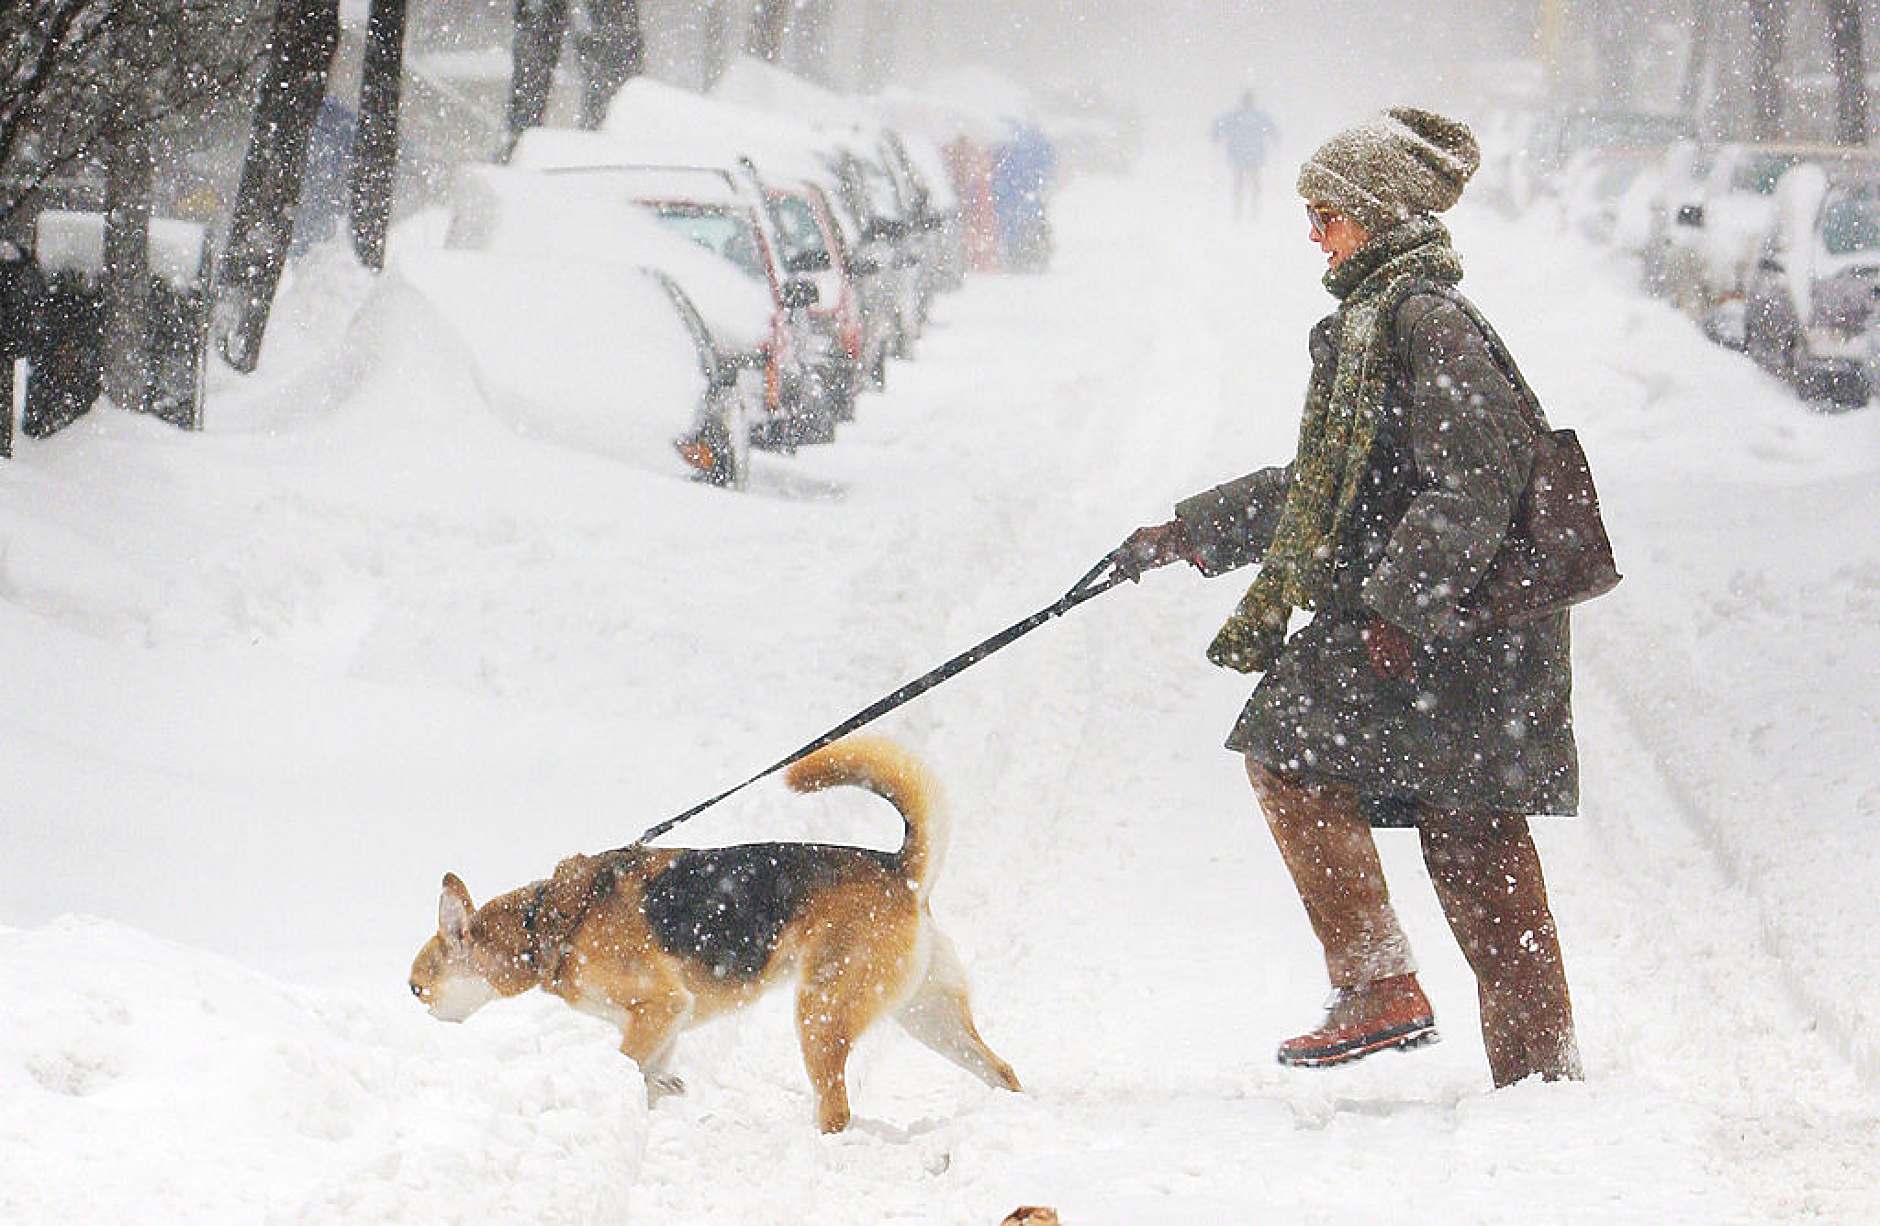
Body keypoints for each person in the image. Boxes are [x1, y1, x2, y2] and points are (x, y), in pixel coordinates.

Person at [1114, 107, 1582, 1089]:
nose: (1312, 232)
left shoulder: (1422, 322)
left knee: (1300, 757)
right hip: (1461, 625)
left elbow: (1479, 479)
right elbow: (1335, 480)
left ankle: (1388, 990)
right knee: (1472, 838)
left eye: (1325, 212)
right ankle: (1537, 1078)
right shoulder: (1380, 321)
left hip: (1461, 627)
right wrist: (1193, 532)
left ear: (1375, 213)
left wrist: (1397, 607)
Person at [1210, 90, 1279, 219]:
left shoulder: (1236, 117)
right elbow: (1271, 129)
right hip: (1249, 155)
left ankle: (1246, 212)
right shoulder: (1253, 117)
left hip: (1242, 155)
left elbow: (1219, 127)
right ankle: (1248, 212)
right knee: (1249, 184)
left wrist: (1216, 137)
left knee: (1244, 183)